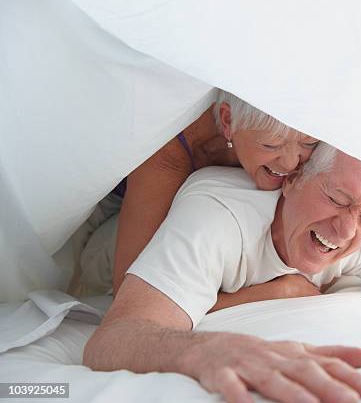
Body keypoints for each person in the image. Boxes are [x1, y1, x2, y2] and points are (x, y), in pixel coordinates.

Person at [84, 144, 361, 403]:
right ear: (293, 179)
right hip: (103, 245)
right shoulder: (216, 221)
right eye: (336, 199)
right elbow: (114, 338)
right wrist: (209, 349)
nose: (346, 231)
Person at [75, 89, 323, 309]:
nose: (292, 163)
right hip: (110, 217)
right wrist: (277, 292)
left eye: (308, 142)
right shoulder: (168, 154)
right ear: (228, 122)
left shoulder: (314, 131)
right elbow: (130, 299)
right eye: (271, 145)